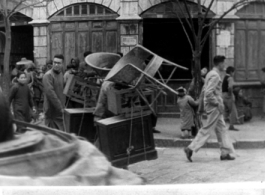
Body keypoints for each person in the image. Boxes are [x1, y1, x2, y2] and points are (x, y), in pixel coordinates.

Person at [184, 55, 236, 162]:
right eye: (224, 63)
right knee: (207, 129)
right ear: (220, 64)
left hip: (215, 106)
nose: (224, 65)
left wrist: (203, 107)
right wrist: (217, 104)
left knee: (222, 129)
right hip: (215, 107)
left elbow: (204, 90)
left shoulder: (210, 74)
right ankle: (190, 148)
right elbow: (208, 93)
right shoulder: (215, 75)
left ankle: (225, 153)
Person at [42, 54, 66, 131]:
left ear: (62, 64)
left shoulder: (61, 74)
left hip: (59, 111)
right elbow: (50, 93)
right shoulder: (48, 75)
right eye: (54, 62)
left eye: (58, 63)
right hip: (51, 111)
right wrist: (60, 107)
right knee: (51, 135)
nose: (56, 64)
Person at [222, 66, 241, 131]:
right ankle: (231, 126)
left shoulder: (225, 77)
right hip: (228, 96)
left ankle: (221, 126)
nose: (234, 74)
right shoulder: (230, 78)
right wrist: (230, 94)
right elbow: (230, 87)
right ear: (231, 72)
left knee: (226, 111)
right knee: (233, 111)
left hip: (223, 95)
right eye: (233, 72)